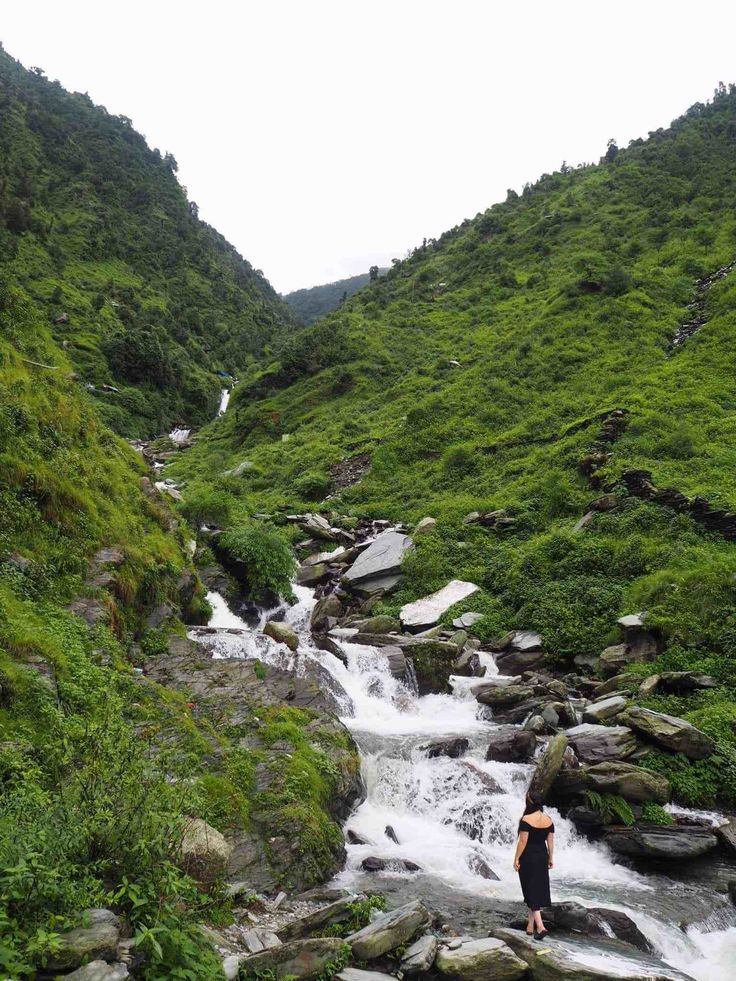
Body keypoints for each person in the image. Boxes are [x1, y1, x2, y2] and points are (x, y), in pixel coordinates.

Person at [513, 790, 555, 939]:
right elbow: (550, 841)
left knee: (530, 891)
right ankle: (530, 926)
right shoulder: (548, 819)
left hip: (528, 856)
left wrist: (516, 858)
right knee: (536, 889)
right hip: (542, 855)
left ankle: (541, 927)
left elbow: (523, 841)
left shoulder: (526, 819)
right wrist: (550, 857)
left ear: (529, 802)